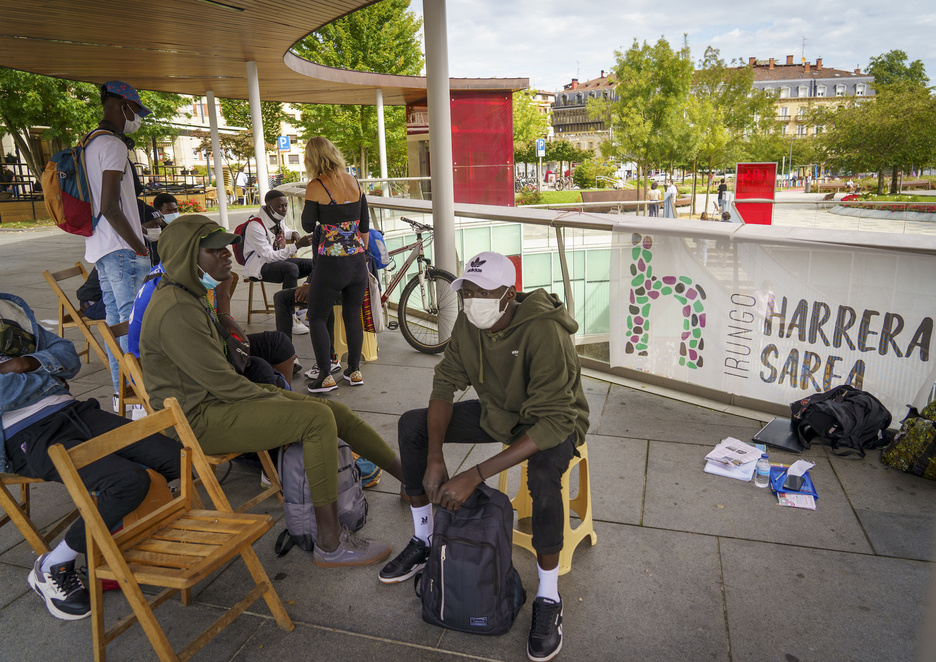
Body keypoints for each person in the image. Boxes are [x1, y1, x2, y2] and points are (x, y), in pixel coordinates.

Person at [139, 214, 405, 566]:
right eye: (215, 251)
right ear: (186, 256)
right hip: (196, 420)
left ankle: (410, 479)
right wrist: (279, 397)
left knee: (332, 411)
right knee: (315, 419)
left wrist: (277, 395)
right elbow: (221, 381)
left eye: (226, 248)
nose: (226, 255)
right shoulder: (176, 310)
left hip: (216, 402)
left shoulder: (189, 294)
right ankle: (329, 542)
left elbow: (226, 371)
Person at [378, 251, 589, 662]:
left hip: (554, 421)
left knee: (544, 477)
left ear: (509, 295)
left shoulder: (545, 332)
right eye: (467, 291)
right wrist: (436, 456)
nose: (472, 299)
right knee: (412, 426)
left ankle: (548, 597)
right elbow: (446, 382)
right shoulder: (470, 321)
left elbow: (553, 421)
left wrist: (474, 474)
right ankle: (424, 538)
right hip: (500, 412)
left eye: (483, 292)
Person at [0, 293, 180, 621]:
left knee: (174, 457)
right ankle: (54, 564)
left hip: (74, 411)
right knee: (128, 482)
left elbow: (68, 355)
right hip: (28, 436)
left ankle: (114, 529)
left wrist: (26, 363)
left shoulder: (7, 312)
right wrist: (47, 373)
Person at [83, 81, 153, 406]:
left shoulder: (89, 143)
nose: (137, 118)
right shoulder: (113, 145)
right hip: (122, 250)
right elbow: (110, 206)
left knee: (116, 327)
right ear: (124, 105)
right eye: (136, 111)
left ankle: (121, 397)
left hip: (100, 249)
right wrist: (138, 246)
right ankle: (139, 402)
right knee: (135, 324)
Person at [301, 136, 370, 393]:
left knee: (317, 316)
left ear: (312, 158)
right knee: (353, 314)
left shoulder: (316, 185)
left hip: (331, 262)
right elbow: (364, 225)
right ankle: (354, 370)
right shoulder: (354, 181)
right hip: (357, 261)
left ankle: (325, 377)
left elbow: (308, 225)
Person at [242, 189, 315, 336]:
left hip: (276, 261)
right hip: (260, 266)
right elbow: (269, 257)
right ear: (269, 207)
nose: (284, 209)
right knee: (290, 268)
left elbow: (283, 231)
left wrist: (292, 233)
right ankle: (291, 317)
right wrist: (297, 246)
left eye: (285, 205)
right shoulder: (255, 226)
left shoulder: (276, 219)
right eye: (279, 206)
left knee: (313, 264)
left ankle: (305, 307)